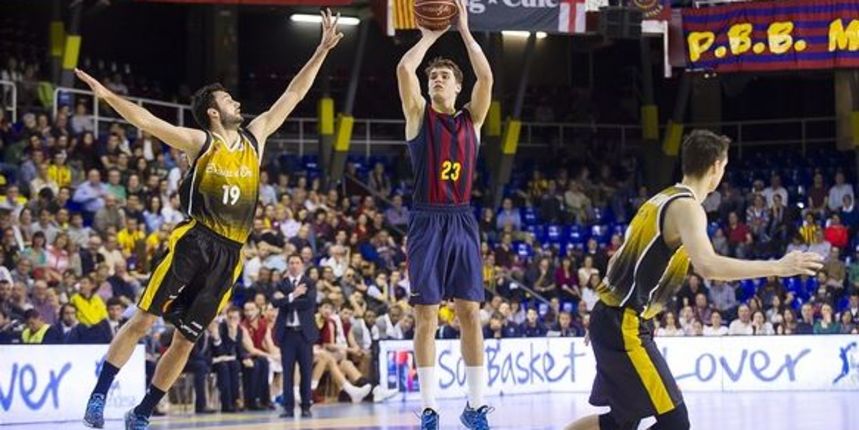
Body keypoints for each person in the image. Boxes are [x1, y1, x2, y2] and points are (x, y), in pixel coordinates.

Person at [80, 11, 343, 429]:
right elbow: (146, 121)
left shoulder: (255, 137)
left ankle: (142, 412)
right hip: (195, 240)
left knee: (186, 339)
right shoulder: (199, 141)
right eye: (226, 99)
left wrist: (321, 51)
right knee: (145, 318)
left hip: (231, 254)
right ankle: (98, 396)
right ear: (213, 113)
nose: (235, 101)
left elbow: (293, 94)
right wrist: (106, 95)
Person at [564, 130, 823, 430]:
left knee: (620, 422)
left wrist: (602, 312)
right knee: (675, 423)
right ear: (715, 167)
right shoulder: (688, 208)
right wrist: (777, 267)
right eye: (723, 167)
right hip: (624, 324)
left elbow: (616, 259)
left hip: (612, 318)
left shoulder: (658, 200)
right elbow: (709, 267)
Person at [396, 1, 493, 428]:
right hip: (425, 219)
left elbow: (486, 76)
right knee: (427, 315)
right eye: (433, 75)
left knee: (470, 312)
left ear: (457, 88)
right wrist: (431, 36)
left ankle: (474, 407)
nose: (436, 79)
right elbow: (404, 71)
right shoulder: (418, 116)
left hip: (462, 218)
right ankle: (431, 408)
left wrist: (466, 32)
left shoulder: (472, 121)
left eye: (445, 76)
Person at [272, 254, 319, 418]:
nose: (294, 265)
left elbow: (309, 303)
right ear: (287, 265)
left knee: (306, 371)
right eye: (291, 262)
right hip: (287, 334)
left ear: (302, 265)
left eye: (297, 262)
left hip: (304, 333)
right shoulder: (281, 283)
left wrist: (286, 300)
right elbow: (275, 302)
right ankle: (288, 407)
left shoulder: (309, 282)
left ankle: (306, 406)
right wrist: (294, 295)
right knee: (287, 372)